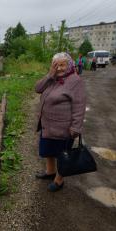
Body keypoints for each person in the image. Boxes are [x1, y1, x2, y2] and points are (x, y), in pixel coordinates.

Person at [35, 52, 86, 192]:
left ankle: (59, 180)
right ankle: (50, 172)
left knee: (62, 154)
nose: (59, 68)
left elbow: (79, 105)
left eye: (62, 65)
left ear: (69, 65)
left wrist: (76, 126)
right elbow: (37, 89)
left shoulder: (75, 81)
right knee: (48, 151)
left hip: (63, 127)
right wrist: (49, 75)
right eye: (56, 65)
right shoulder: (53, 78)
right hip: (47, 125)